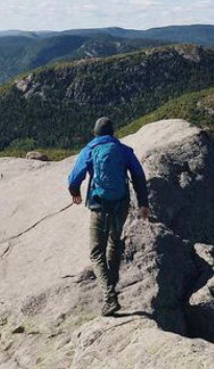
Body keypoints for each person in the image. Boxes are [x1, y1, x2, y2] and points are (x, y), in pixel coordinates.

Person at [67, 117, 150, 316]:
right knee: (114, 243)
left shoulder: (90, 149)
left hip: (99, 205)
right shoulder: (123, 150)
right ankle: (111, 288)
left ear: (95, 132)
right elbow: (138, 176)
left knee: (96, 252)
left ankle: (109, 296)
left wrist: (75, 192)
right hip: (120, 204)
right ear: (113, 132)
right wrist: (143, 203)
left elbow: (75, 176)